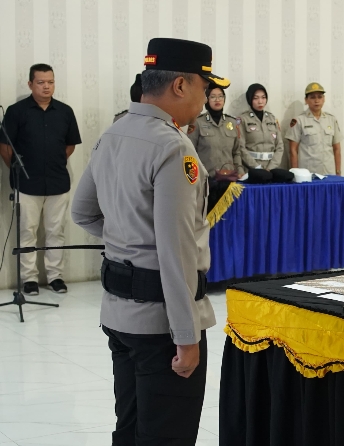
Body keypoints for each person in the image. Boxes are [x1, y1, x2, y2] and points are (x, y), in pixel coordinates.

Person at [71, 37, 226, 444]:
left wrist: (127, 240)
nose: (205, 99)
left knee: (130, 426)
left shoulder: (114, 133)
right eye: (204, 87)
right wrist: (186, 337)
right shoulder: (174, 148)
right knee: (166, 435)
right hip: (162, 326)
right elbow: (176, 252)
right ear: (180, 85)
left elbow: (82, 212)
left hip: (120, 315)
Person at [0, 63, 81, 295]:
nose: (47, 86)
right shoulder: (16, 111)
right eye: (41, 82)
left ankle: (55, 276)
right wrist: (18, 169)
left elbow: (70, 145)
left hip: (57, 182)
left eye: (50, 82)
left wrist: (52, 162)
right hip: (27, 183)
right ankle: (29, 279)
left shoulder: (65, 111)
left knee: (56, 231)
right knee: (27, 231)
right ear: (30, 84)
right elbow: (5, 147)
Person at [188, 83, 253, 178]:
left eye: (220, 96)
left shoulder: (232, 122)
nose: (217, 100)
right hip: (206, 178)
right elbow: (190, 152)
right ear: (207, 99)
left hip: (229, 177)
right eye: (213, 97)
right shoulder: (197, 122)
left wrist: (240, 171)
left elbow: (236, 152)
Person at [286, 82, 343, 175]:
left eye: (320, 97)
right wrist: (295, 174)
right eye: (312, 97)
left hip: (329, 172)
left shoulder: (331, 120)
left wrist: (338, 172)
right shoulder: (299, 121)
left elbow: (337, 149)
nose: (316, 101)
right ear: (306, 100)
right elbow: (293, 150)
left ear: (324, 99)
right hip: (308, 174)